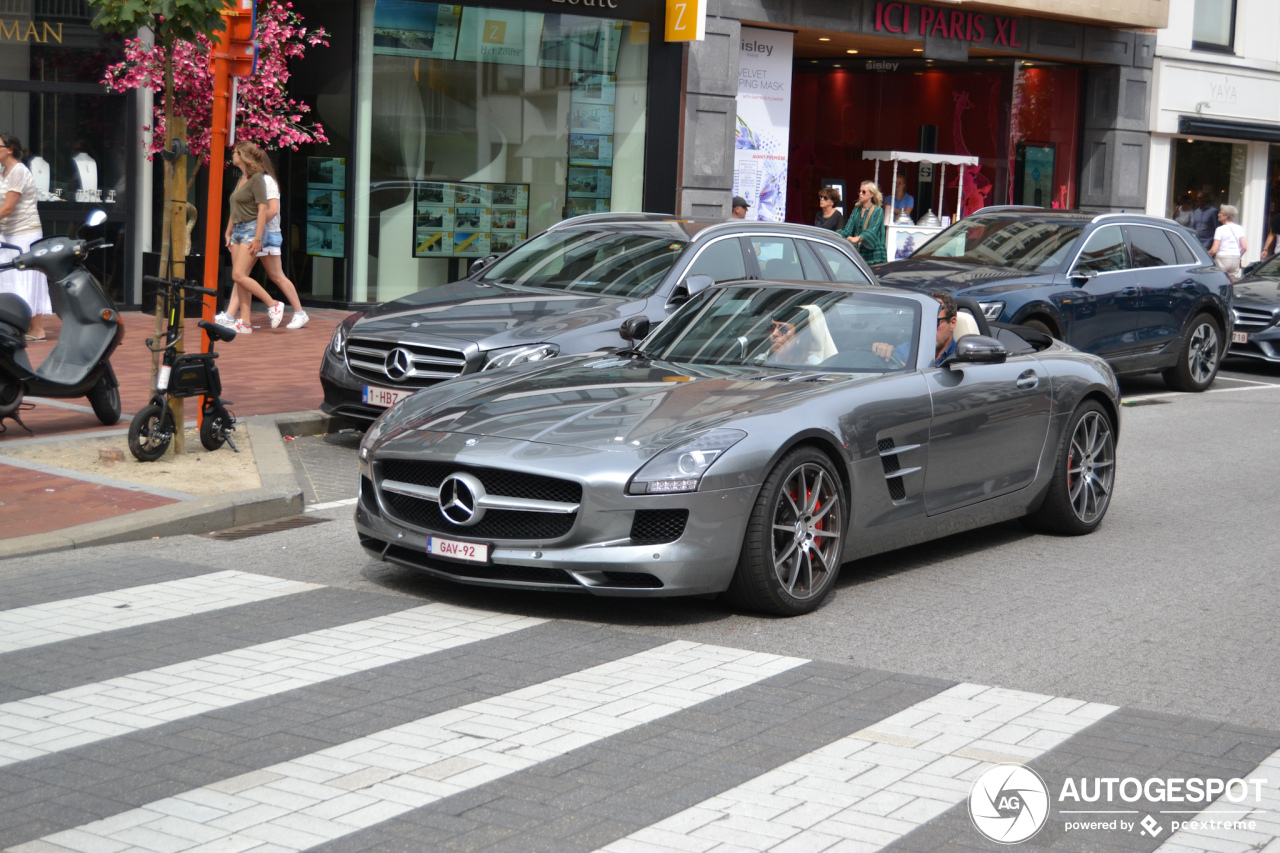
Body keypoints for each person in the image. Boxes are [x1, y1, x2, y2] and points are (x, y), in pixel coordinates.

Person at [218, 142, 306, 333]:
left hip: (266, 232)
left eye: (235, 153)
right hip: (249, 231)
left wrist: (255, 230)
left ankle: (295, 311)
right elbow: (237, 209)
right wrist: (231, 230)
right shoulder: (244, 178)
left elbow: (272, 210)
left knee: (272, 275)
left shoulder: (265, 181)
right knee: (242, 275)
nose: (232, 155)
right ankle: (236, 317)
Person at [0, 134, 50, 342]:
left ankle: (37, 329)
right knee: (10, 278)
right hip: (8, 233)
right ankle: (16, 325)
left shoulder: (19, 171)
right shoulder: (4, 171)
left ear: (10, 149)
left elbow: (9, 207)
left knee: (27, 278)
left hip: (25, 234)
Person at [765, 305, 837, 366]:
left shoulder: (812, 364)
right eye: (772, 327)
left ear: (798, 336)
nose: (774, 334)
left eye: (783, 329)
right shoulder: (762, 360)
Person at [839, 180, 886, 264]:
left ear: (871, 194)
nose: (860, 193)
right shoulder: (857, 209)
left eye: (863, 192)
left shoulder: (878, 210)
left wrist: (858, 238)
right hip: (860, 251)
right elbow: (848, 229)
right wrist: (836, 236)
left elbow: (872, 230)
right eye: (859, 191)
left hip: (874, 253)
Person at [1209, 204, 1247, 281]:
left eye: (1220, 213)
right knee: (1231, 282)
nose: (1218, 214)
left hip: (1222, 258)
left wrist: (1206, 255)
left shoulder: (1220, 229)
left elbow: (1214, 250)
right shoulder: (1239, 228)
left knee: (1219, 280)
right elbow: (1244, 247)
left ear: (1226, 215)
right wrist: (1238, 256)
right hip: (1235, 258)